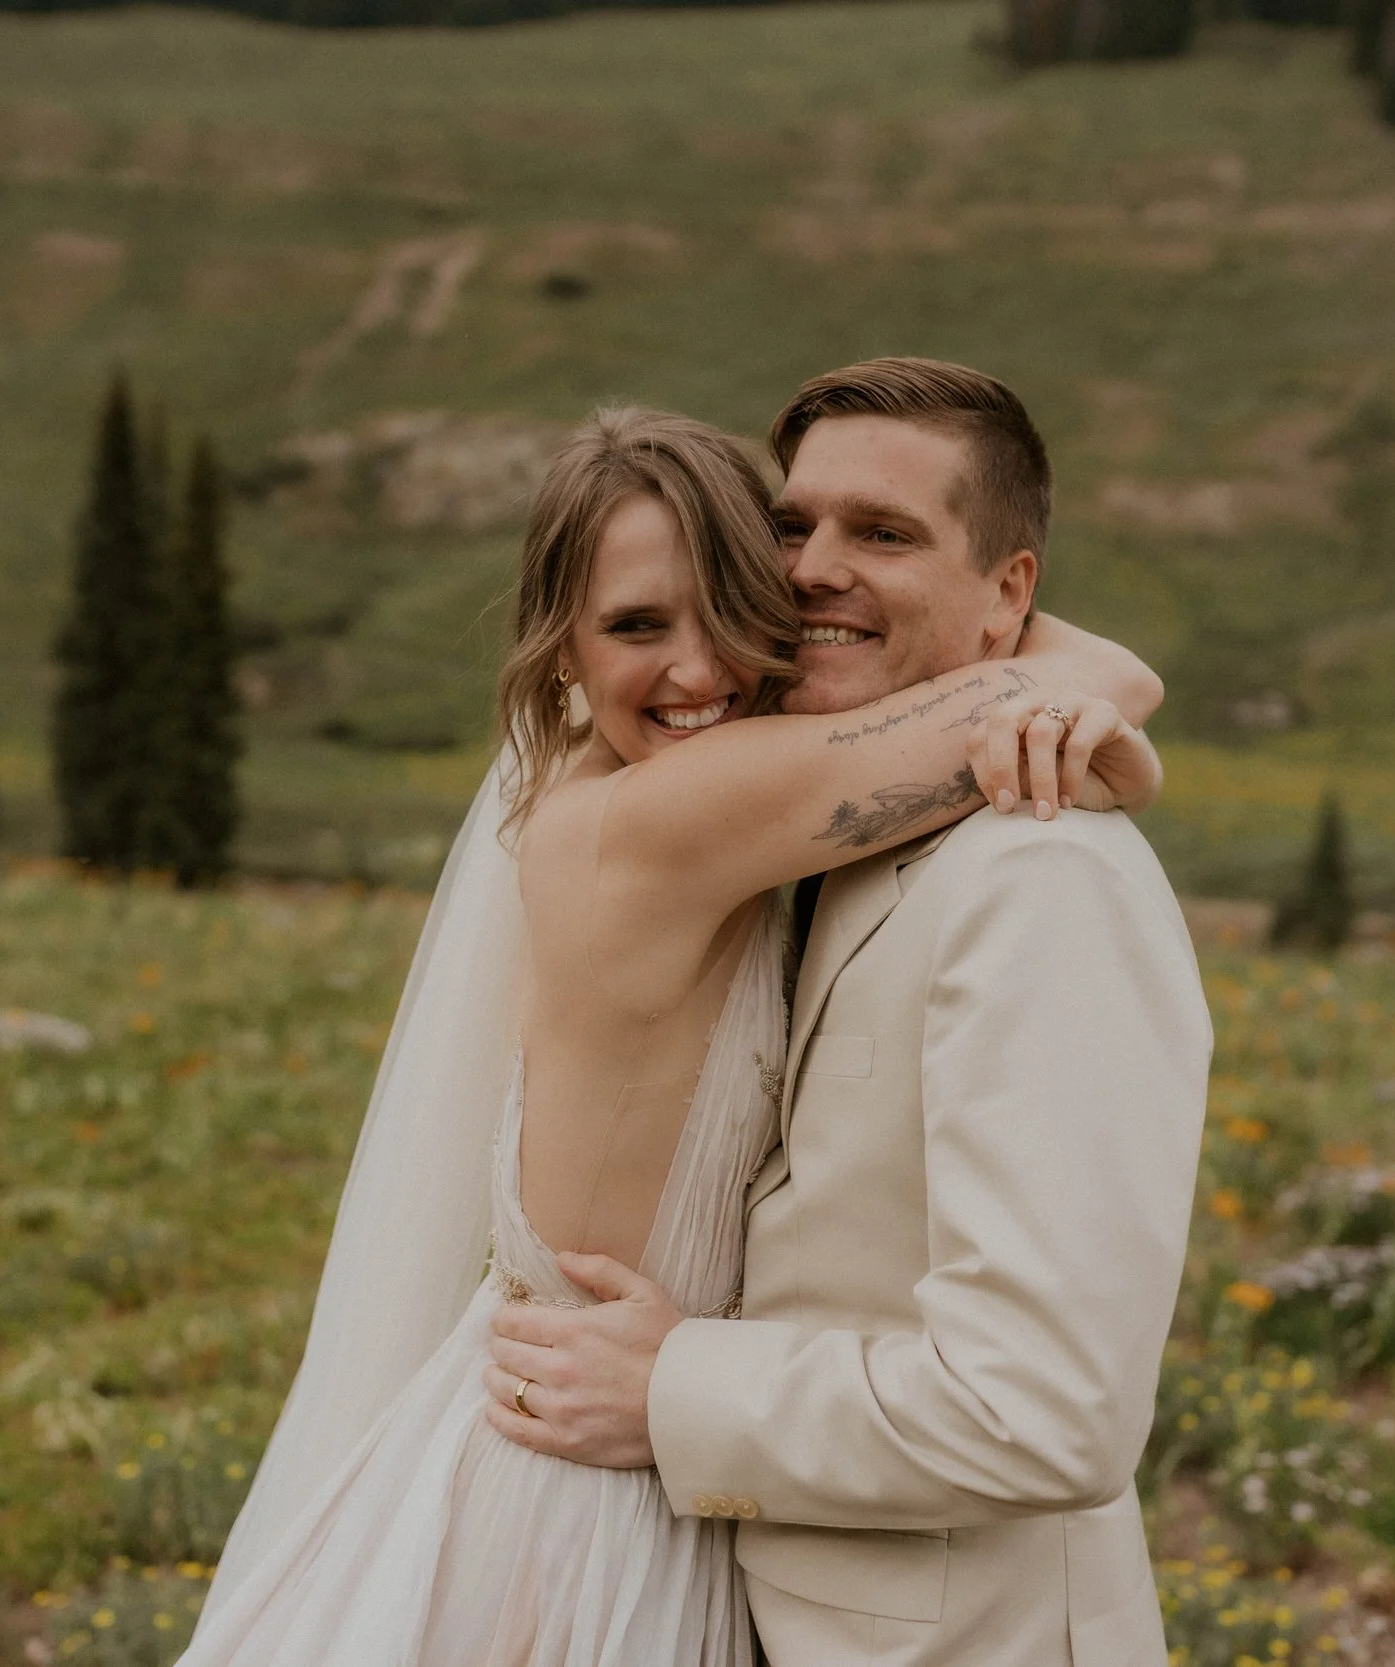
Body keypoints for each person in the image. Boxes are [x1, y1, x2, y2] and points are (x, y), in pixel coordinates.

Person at [177, 396, 1165, 1667]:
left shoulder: (720, 797)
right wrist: (1083, 697)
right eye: (635, 626)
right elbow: (1092, 671)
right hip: (579, 1489)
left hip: (674, 1466)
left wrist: (1051, 680)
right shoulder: (652, 822)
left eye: (738, 613)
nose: (698, 674)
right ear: (559, 654)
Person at [484, 361, 1214, 1667]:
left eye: (882, 533)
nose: (815, 566)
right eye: (790, 524)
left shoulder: (1042, 880)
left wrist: (675, 1387)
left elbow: (1047, 1408)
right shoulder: (791, 822)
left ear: (1011, 595)